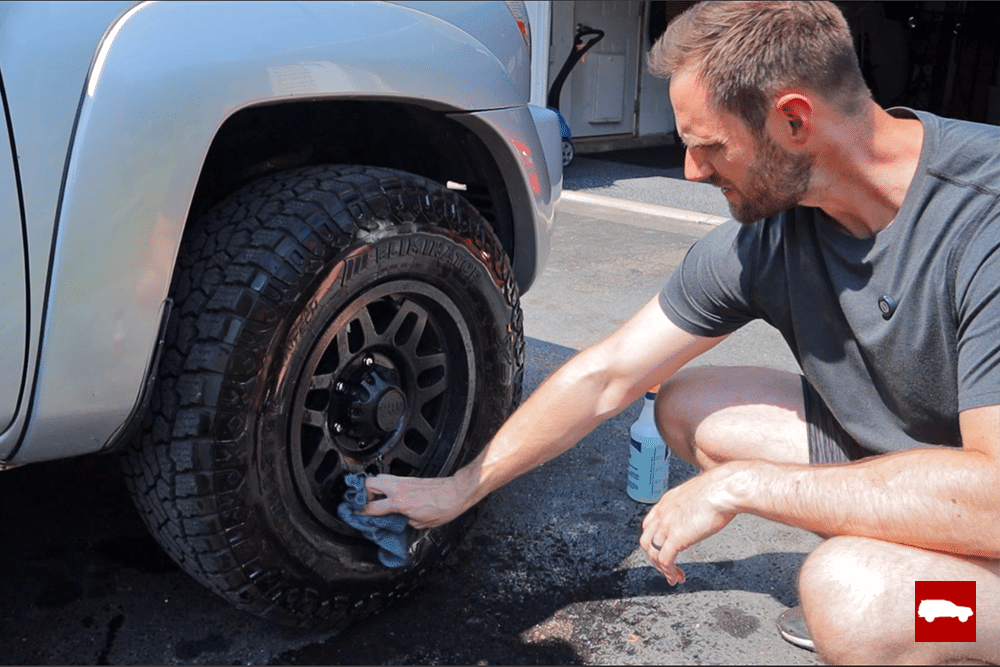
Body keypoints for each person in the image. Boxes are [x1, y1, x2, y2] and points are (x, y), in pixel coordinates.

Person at [363, 2, 1000, 663]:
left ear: (794, 120)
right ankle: (919, 555)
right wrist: (458, 487)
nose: (692, 171)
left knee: (854, 600)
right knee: (691, 406)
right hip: (942, 471)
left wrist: (740, 484)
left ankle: (941, 619)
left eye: (709, 146)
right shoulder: (771, 236)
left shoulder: (984, 216)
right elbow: (608, 374)